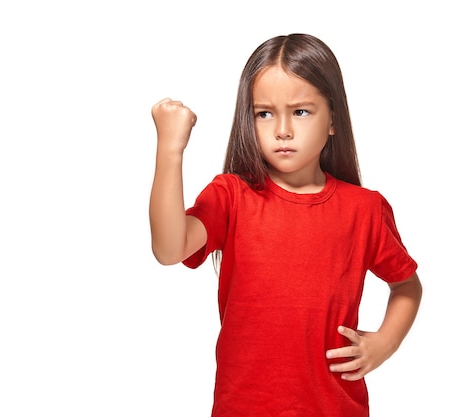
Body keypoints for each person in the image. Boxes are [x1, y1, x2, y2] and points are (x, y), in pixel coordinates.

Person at [149, 33, 422, 417]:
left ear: (333, 121)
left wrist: (385, 343)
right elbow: (169, 248)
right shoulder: (231, 196)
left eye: (301, 111)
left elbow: (406, 284)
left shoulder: (365, 209)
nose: (282, 130)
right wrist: (170, 149)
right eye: (264, 113)